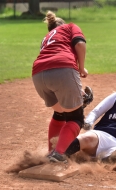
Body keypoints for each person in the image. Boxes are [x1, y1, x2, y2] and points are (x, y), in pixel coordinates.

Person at [32, 11, 91, 163]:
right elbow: (80, 43)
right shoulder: (70, 27)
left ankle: (51, 152)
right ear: (63, 24)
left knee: (60, 113)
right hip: (62, 68)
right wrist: (81, 68)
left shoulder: (46, 38)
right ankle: (58, 154)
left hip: (38, 74)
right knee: (76, 118)